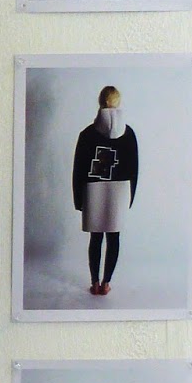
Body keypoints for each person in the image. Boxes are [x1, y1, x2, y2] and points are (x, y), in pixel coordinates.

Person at [71, 85, 139, 295]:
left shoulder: (87, 134)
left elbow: (78, 168)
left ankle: (94, 282)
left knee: (96, 238)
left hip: (93, 190)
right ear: (118, 102)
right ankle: (106, 282)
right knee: (114, 237)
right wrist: (130, 197)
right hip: (120, 190)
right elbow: (134, 168)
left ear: (100, 102)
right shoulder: (129, 133)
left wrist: (78, 198)